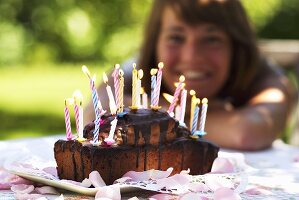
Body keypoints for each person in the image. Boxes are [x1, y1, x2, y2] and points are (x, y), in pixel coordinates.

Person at [84, 0, 297, 151]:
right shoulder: (138, 67)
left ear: (236, 46)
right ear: (154, 44)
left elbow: (249, 132)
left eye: (211, 39)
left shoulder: (263, 75)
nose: (192, 56)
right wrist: (181, 114)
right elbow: (94, 111)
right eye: (176, 38)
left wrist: (152, 115)